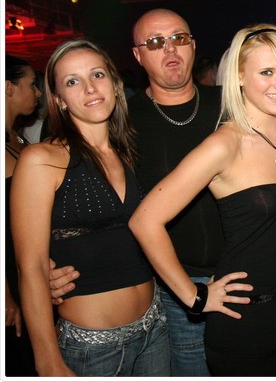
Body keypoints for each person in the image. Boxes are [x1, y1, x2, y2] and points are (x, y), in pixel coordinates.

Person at [129, 25, 276, 376]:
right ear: (239, 77)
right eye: (266, 72)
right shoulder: (224, 144)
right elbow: (145, 221)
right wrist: (195, 297)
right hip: (246, 321)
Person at [48, 9, 225, 377]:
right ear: (138, 56)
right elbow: (75, 202)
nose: (170, 49)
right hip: (172, 293)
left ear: (193, 45)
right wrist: (43, 270)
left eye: (179, 38)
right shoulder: (120, 123)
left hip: (242, 276)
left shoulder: (232, 105)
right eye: (156, 42)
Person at [11, 40, 170, 376]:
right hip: (92, 348)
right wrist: (48, 361)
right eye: (72, 81)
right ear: (58, 99)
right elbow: (32, 268)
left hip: (154, 329)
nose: (90, 88)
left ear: (114, 83)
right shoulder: (42, 160)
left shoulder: (128, 153)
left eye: (97, 75)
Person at [5, 55, 41, 376]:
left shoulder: (18, 138)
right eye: (31, 84)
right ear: (8, 88)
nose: (38, 92)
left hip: (26, 263)